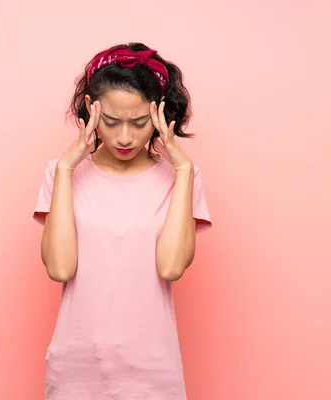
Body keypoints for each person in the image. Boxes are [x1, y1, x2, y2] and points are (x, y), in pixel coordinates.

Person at [33, 42, 212, 400]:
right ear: (91, 109)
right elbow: (60, 268)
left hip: (152, 372)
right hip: (76, 370)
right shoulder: (62, 172)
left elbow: (171, 266)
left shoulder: (181, 178)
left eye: (140, 122)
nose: (125, 137)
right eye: (111, 122)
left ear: (161, 114)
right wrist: (67, 169)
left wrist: (183, 171)